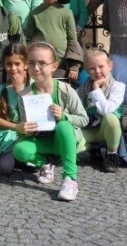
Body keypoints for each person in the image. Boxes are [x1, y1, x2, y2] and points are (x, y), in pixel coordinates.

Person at [13, 42, 88, 202]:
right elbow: (25, 125)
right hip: (42, 141)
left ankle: (70, 179)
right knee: (20, 149)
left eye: (42, 63)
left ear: (54, 66)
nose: (36, 68)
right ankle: (46, 163)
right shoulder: (25, 95)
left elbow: (84, 119)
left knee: (64, 126)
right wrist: (21, 127)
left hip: (65, 140)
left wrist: (64, 116)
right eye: (31, 63)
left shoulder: (65, 90)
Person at [23, 0, 83, 82]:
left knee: (60, 89)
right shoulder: (34, 13)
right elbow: (29, 40)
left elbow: (73, 41)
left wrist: (74, 66)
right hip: (40, 64)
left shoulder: (66, 13)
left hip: (61, 64)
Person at [77, 48, 126, 173]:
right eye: (92, 68)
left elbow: (106, 110)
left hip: (107, 131)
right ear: (87, 70)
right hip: (90, 129)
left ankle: (111, 155)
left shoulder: (118, 87)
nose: (97, 71)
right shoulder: (83, 88)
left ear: (110, 66)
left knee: (111, 117)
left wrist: (96, 88)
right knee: (71, 145)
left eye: (101, 66)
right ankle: (93, 149)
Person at [0, 43, 29, 178]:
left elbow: (33, 114)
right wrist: (16, 127)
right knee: (5, 168)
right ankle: (13, 156)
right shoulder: (2, 89)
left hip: (28, 133)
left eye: (17, 64)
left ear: (26, 64)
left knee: (29, 160)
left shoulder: (33, 86)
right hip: (10, 133)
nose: (13, 68)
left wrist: (20, 91)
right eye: (9, 64)